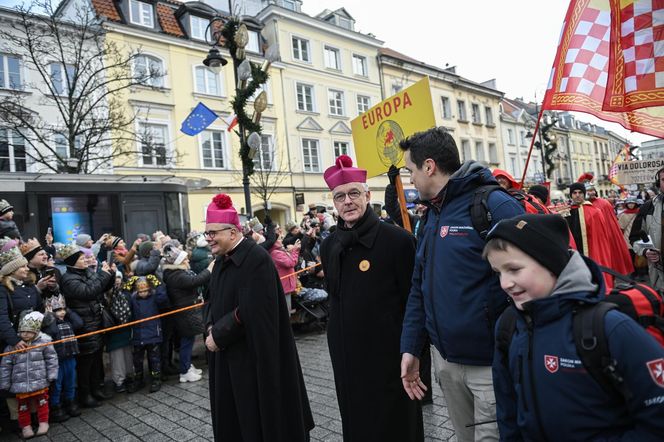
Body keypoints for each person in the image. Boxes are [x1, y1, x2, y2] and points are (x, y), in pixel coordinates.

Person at [484, 214, 664, 440]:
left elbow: (656, 418)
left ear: (550, 263)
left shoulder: (609, 327)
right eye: (498, 272)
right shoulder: (509, 325)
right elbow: (508, 409)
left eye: (514, 269)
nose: (504, 283)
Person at [398, 127, 524, 442]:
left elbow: (537, 280)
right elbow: (419, 287)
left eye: (409, 170)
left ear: (429, 166)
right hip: (446, 364)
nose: (409, 179)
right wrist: (411, 348)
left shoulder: (493, 204)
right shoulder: (430, 216)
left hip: (490, 367)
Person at [319, 155, 423, 441]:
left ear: (368, 195)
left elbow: (414, 305)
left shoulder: (398, 241)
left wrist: (414, 355)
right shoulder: (329, 246)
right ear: (334, 203)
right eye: (340, 196)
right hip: (346, 359)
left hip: (388, 360)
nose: (347, 202)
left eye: (354, 193)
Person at [203, 193, 313, 441]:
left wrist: (218, 335)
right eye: (206, 233)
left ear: (232, 232)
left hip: (251, 360)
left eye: (213, 232)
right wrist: (209, 326)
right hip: (225, 355)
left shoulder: (256, 260)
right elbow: (211, 299)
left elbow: (254, 310)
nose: (208, 238)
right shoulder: (221, 260)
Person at [59, 244, 114, 408]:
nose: (86, 260)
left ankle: (96, 389)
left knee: (97, 357)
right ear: (73, 261)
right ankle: (85, 394)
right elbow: (88, 291)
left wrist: (109, 275)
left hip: (96, 320)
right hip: (84, 324)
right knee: (86, 361)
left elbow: (100, 287)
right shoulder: (68, 279)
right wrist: (103, 275)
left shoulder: (88, 271)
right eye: (82, 258)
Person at [0, 311, 58, 439]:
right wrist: (5, 383)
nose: (24, 334)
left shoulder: (44, 342)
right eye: (22, 331)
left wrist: (51, 375)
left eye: (28, 331)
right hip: (20, 384)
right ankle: (26, 427)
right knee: (22, 407)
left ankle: (43, 423)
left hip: (39, 380)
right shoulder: (12, 346)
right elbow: (5, 366)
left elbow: (51, 359)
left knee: (42, 403)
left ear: (36, 331)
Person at [566, 183, 633, 288]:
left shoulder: (595, 212)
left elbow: (600, 239)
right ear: (571, 195)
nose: (577, 195)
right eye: (574, 193)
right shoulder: (566, 211)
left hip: (592, 250)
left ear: (584, 194)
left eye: (580, 192)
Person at [161, 246, 210, 383]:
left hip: (186, 311)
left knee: (188, 339)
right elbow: (196, 281)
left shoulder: (174, 273)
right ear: (179, 261)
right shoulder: (177, 275)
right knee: (187, 341)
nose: (188, 260)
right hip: (185, 312)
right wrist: (209, 270)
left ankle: (187, 365)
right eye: (185, 259)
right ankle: (184, 371)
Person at [42, 294, 83, 422]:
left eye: (63, 309)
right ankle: (56, 406)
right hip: (57, 361)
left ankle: (70, 402)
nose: (62, 312)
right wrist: (50, 317)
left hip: (70, 357)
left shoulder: (68, 321)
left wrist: (68, 310)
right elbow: (53, 332)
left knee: (70, 381)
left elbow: (79, 323)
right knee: (57, 385)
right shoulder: (49, 325)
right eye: (58, 310)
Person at [124, 275, 168, 393]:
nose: (143, 293)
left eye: (145, 291)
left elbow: (162, 298)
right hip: (138, 334)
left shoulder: (154, 297)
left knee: (154, 358)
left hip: (153, 332)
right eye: (140, 291)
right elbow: (125, 301)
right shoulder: (133, 299)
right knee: (137, 359)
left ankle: (156, 378)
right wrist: (126, 288)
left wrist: (158, 285)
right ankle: (138, 379)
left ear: (149, 289)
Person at [630, 166, 664, 290]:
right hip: (660, 277)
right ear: (658, 183)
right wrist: (646, 252)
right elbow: (634, 238)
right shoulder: (647, 208)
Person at [270, 235, 301, 314]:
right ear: (275, 242)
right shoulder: (275, 253)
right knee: (286, 313)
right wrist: (295, 250)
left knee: (289, 310)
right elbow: (290, 263)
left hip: (288, 285)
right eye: (280, 239)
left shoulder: (279, 251)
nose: (282, 240)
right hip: (285, 287)